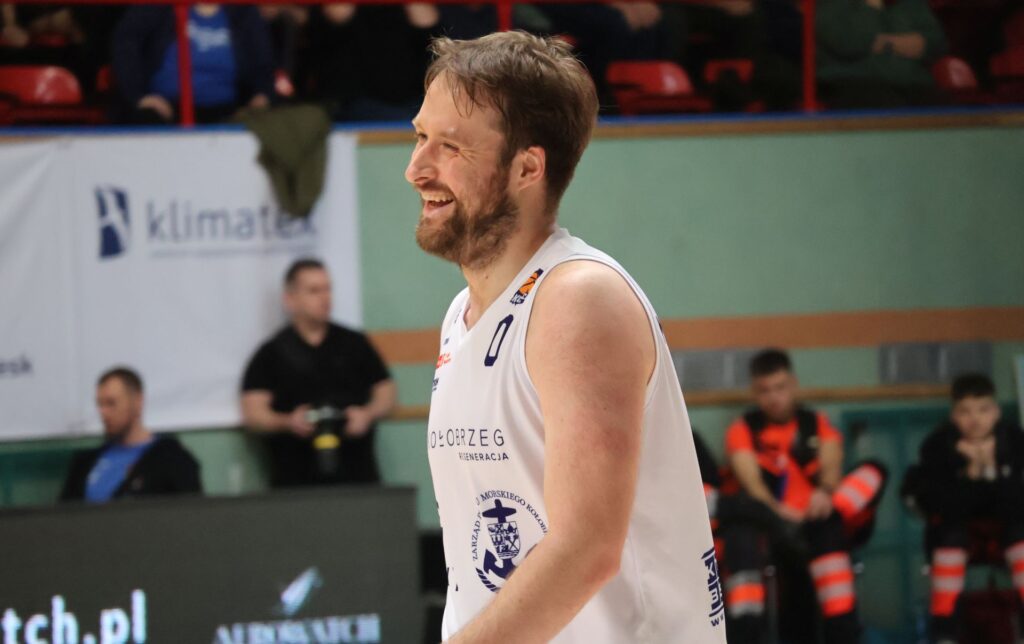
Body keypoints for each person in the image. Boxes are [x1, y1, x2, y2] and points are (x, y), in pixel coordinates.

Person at [407, 32, 725, 642]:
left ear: (527, 168)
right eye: (420, 137)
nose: (417, 168)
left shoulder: (577, 299)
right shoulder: (462, 314)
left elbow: (586, 549)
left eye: (450, 147)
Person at [723, 348, 887, 644]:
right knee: (742, 527)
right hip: (775, 526)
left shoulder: (816, 423)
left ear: (794, 384)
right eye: (765, 390)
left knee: (874, 470)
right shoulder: (743, 429)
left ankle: (843, 634)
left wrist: (825, 495)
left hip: (821, 518)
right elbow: (753, 485)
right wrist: (781, 513)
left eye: (780, 388)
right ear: (755, 393)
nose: (774, 397)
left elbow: (832, 468)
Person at [241, 258, 397, 487]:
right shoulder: (271, 353)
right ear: (290, 299)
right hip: (295, 482)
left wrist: (367, 414)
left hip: (357, 477)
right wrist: (288, 422)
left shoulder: (354, 343)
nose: (325, 298)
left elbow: (386, 391)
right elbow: (254, 413)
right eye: (314, 291)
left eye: (327, 289)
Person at [903, 373, 1024, 643]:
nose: (975, 419)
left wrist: (992, 469)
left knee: (1021, 538)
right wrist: (971, 472)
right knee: (949, 537)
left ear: (996, 412)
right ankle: (945, 633)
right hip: (956, 532)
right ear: (953, 416)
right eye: (965, 411)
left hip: (1008, 530)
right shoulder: (937, 446)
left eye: (983, 409)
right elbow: (944, 509)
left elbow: (1017, 507)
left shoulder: (1015, 440)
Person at [111, 3, 274, 124]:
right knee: (144, 121)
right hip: (164, 108)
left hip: (229, 110)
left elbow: (263, 59)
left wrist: (262, 94)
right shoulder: (159, 7)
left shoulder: (243, 10)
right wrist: (140, 96)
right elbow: (125, 43)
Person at [60, 367, 201, 502]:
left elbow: (192, 511)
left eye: (111, 403)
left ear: (138, 401)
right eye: (100, 404)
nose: (104, 413)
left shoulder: (172, 460)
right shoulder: (84, 464)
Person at [816, 0, 947, 108]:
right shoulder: (831, 5)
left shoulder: (910, 4)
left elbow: (938, 43)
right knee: (885, 104)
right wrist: (872, 6)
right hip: (852, 82)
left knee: (945, 107)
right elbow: (850, 43)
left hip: (913, 83)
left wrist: (883, 42)